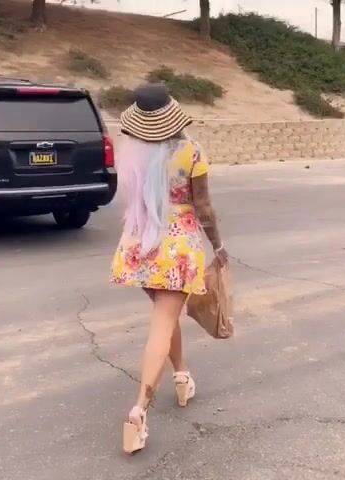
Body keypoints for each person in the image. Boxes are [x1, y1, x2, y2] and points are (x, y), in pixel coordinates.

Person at [110, 84, 228, 453]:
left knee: (167, 313)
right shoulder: (191, 151)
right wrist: (218, 245)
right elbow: (203, 206)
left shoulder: (130, 152)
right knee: (162, 323)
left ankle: (181, 376)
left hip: (139, 244)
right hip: (177, 248)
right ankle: (139, 411)